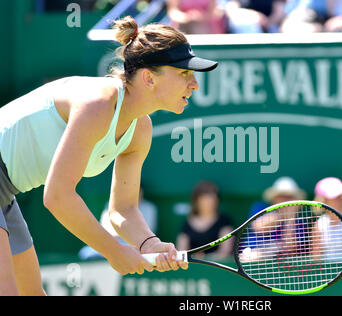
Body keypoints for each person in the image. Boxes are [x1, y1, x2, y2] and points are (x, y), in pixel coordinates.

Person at [0, 16, 218, 295]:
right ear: (149, 78)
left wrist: (148, 244)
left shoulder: (141, 129)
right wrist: (114, 251)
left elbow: (123, 209)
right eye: (184, 74)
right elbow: (57, 197)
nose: (195, 84)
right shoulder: (98, 103)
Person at [78, 187, 158, 260]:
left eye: (138, 191)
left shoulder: (149, 208)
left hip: (134, 246)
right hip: (110, 243)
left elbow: (147, 232)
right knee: (85, 252)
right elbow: (105, 227)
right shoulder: (110, 205)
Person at [176, 181, 233, 259]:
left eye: (212, 198)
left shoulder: (224, 221)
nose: (210, 202)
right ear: (197, 200)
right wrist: (194, 258)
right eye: (205, 198)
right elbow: (181, 251)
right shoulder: (186, 223)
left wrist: (206, 258)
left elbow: (225, 251)